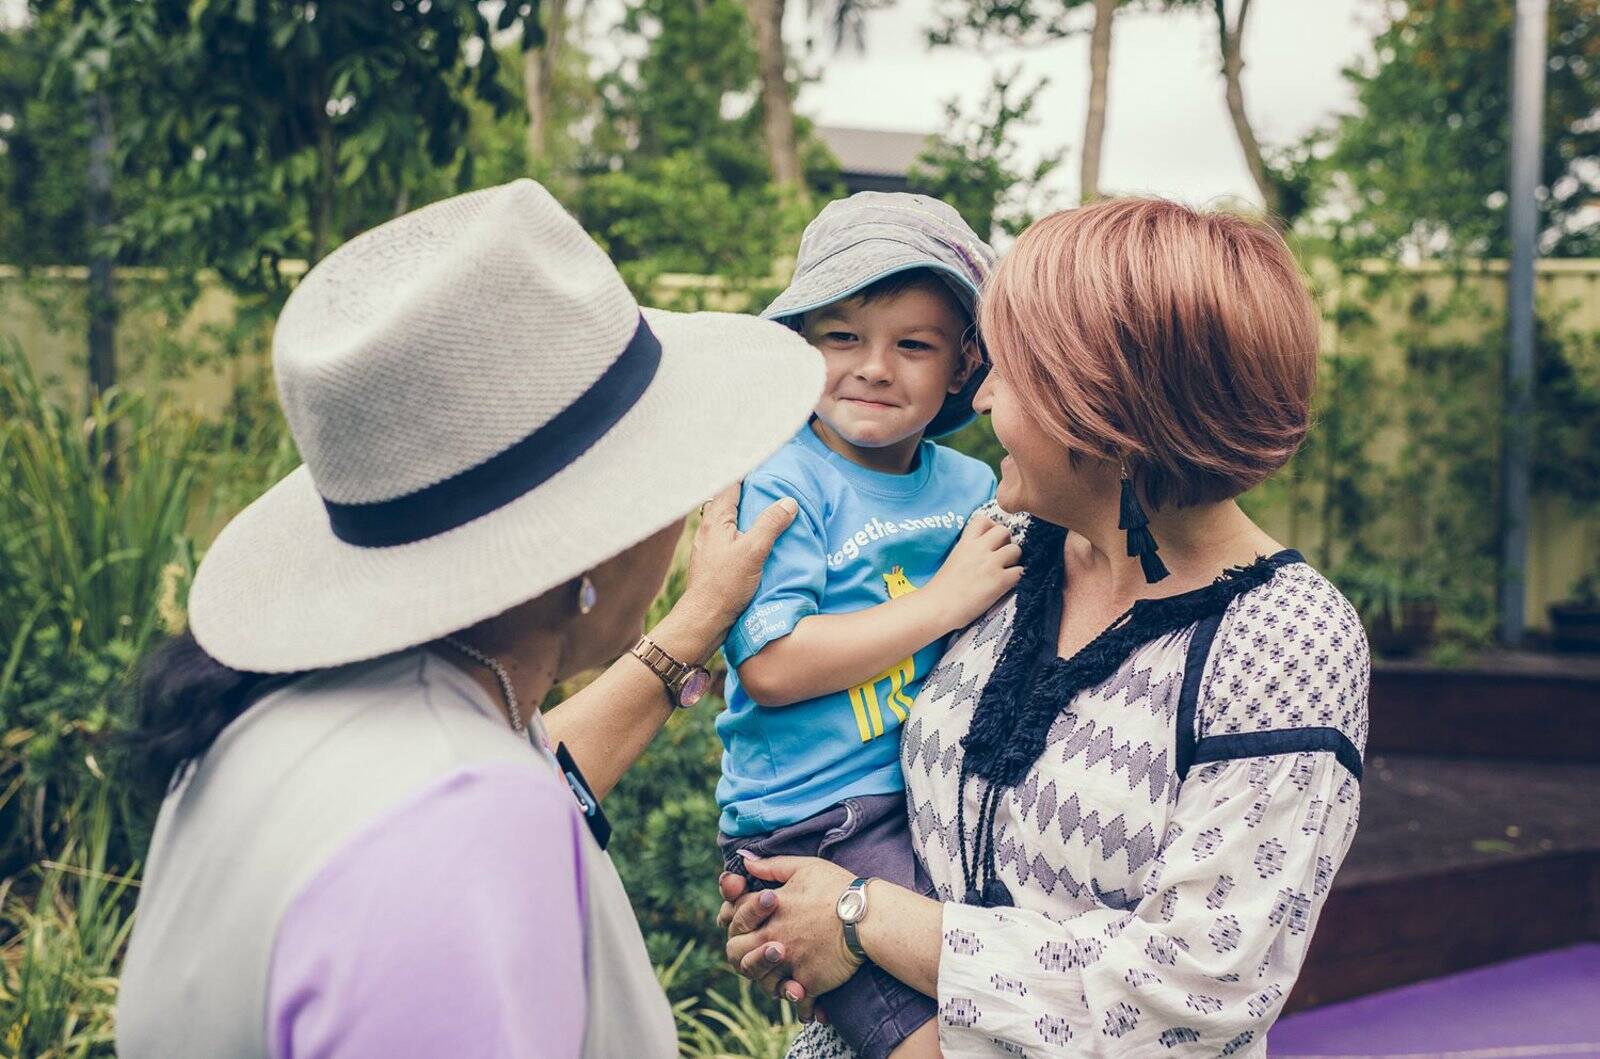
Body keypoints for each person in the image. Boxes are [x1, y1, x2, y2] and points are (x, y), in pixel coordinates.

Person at [114, 178, 825, 1059]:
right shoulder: (462, 830)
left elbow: (519, 765)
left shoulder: (289, 715)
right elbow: (477, 819)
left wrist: (697, 621)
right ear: (585, 546)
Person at [717, 198, 1372, 1058]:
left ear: (1109, 410)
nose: (980, 396)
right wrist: (787, 911)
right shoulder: (999, 548)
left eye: (1009, 371)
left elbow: (1190, 988)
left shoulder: (1283, 639)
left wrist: (860, 915)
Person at [717, 193, 1019, 1059]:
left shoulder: (971, 488)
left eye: (912, 343)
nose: (874, 368)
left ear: (964, 365)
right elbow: (770, 664)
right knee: (930, 1041)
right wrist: (939, 602)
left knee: (994, 1006)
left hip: (931, 805)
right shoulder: (786, 481)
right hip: (815, 823)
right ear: (801, 346)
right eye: (842, 337)